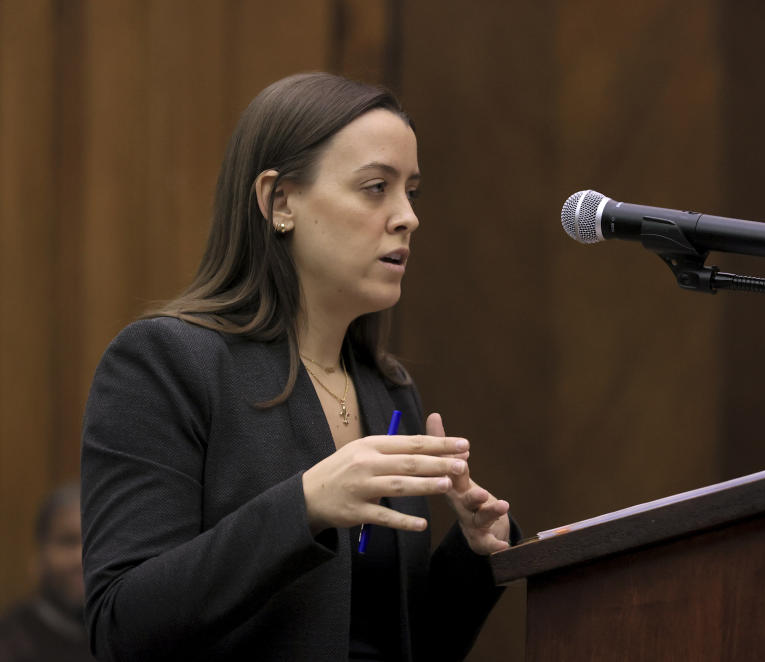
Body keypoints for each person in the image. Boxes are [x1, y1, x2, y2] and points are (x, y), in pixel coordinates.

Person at [81, 72, 518, 661]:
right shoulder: (165, 365)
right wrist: (304, 505)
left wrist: (474, 554)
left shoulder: (388, 391)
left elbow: (396, 643)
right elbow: (119, 628)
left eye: (411, 191)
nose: (407, 216)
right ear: (279, 200)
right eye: (375, 188)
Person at [0, 484, 95, 662]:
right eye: (68, 542)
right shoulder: (10, 644)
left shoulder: (130, 638)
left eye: (92, 543)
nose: (81, 558)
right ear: (40, 556)